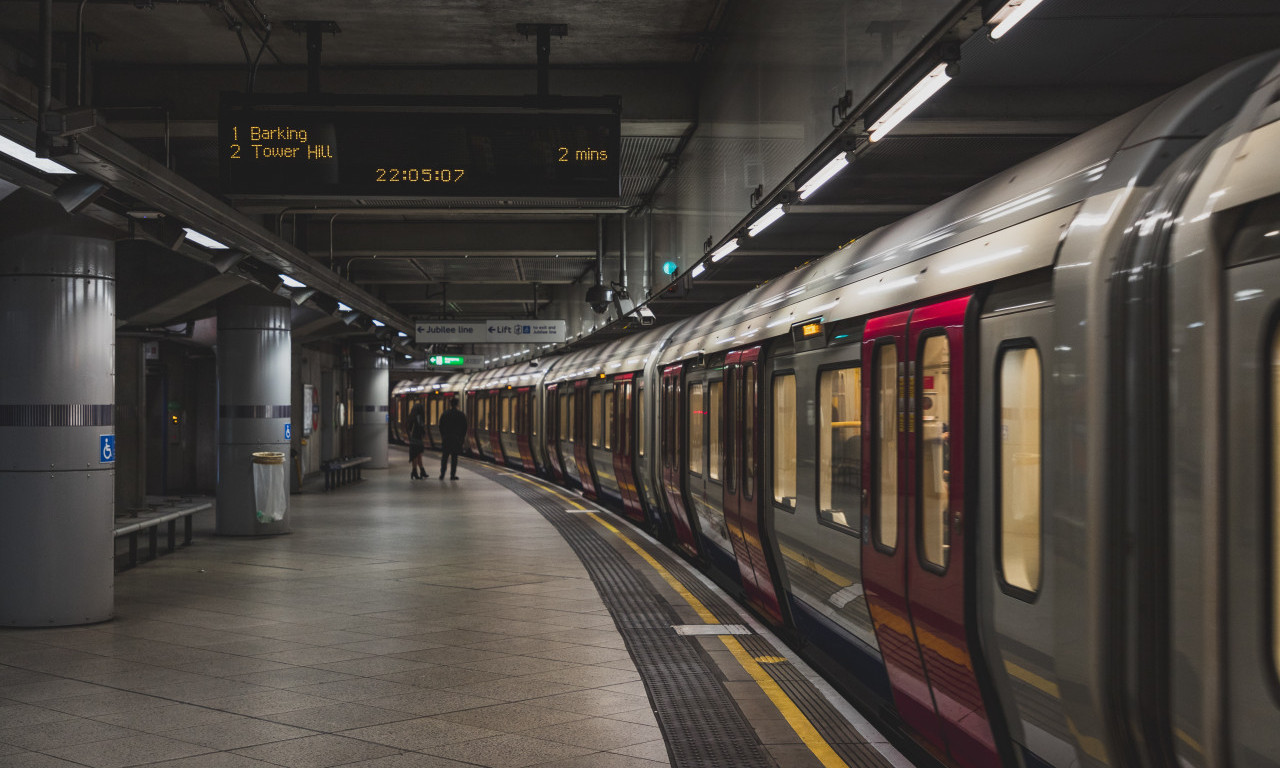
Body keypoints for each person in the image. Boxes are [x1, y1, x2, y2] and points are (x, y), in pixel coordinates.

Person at [438, 398, 467, 480]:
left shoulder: (445, 414)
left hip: (446, 439)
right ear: (457, 404)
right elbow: (464, 428)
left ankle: (442, 474)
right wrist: (461, 438)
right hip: (456, 439)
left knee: (444, 458)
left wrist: (443, 436)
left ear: (450, 404)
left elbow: (440, 426)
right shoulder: (461, 415)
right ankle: (452, 475)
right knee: (454, 458)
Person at [408, 402, 427, 480]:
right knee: (417, 455)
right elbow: (421, 428)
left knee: (415, 455)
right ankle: (418, 471)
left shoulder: (411, 417)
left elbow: (409, 428)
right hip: (417, 439)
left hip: (413, 439)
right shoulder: (419, 417)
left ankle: (416, 471)